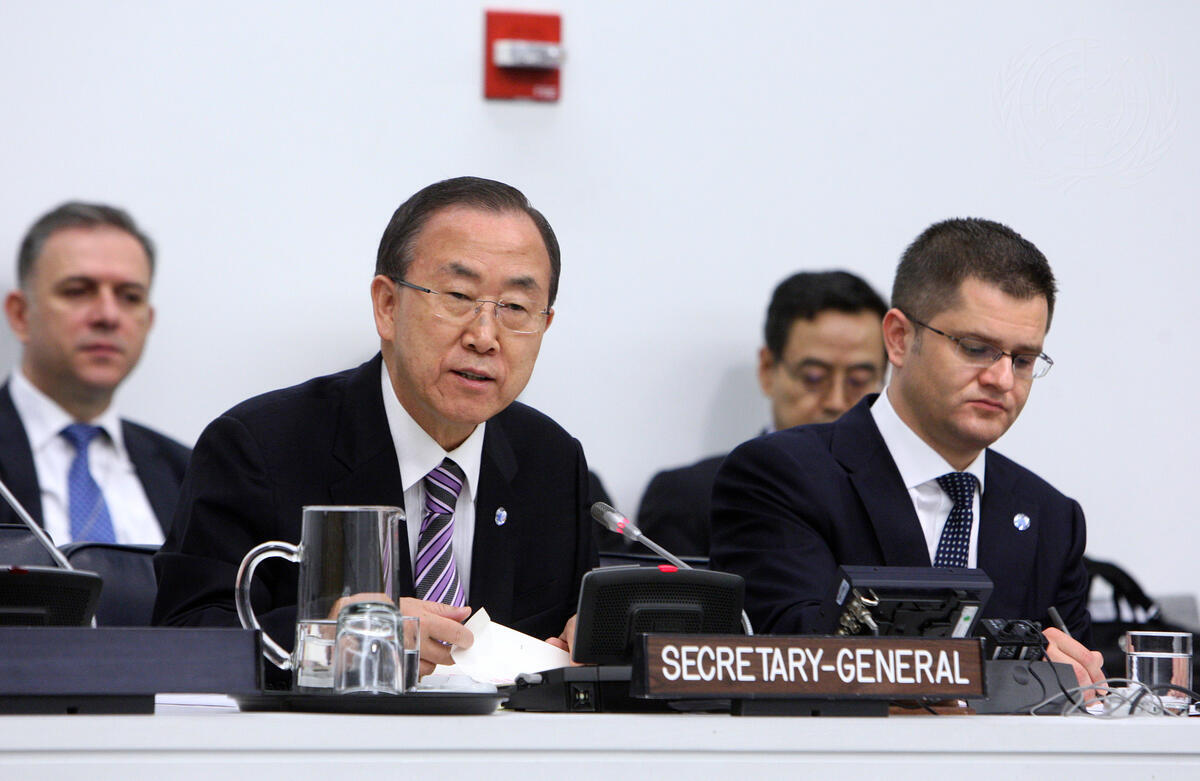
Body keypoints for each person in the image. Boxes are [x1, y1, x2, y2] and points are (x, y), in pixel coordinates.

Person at [153, 177, 597, 678]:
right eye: (458, 295)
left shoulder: (552, 462)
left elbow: (570, 637)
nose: (484, 336)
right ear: (387, 306)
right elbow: (183, 640)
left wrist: (595, 640)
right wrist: (334, 639)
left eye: (515, 308)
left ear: (544, 325)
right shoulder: (258, 447)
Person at [710, 218, 1105, 689]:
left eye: (1022, 360)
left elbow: (1078, 695)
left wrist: (1075, 678)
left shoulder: (1052, 519)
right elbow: (791, 655)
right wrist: (1002, 663)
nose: (1002, 379)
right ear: (899, 338)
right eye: (976, 348)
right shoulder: (781, 475)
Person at [632, 271, 887, 557]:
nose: (836, 401)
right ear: (767, 370)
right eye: (814, 377)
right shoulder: (688, 499)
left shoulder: (907, 496)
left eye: (858, 380)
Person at [0, 202, 189, 544]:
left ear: (148, 320)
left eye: (129, 297)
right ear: (20, 314)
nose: (108, 316)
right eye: (78, 291)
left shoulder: (186, 473)